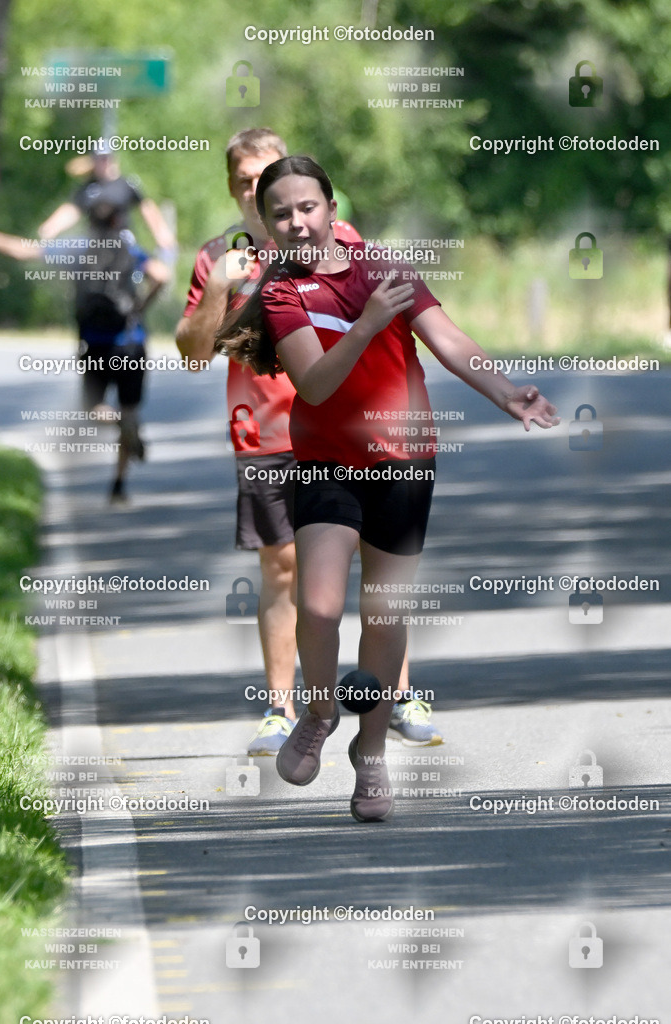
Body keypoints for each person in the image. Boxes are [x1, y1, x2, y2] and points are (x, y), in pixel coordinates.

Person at [214, 155, 559, 822]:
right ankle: (318, 711)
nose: (296, 221)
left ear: (331, 210)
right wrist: (368, 323)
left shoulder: (386, 270)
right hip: (325, 463)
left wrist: (506, 392)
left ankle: (370, 757)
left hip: (404, 463)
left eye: (307, 207)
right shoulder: (283, 294)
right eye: (280, 212)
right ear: (268, 223)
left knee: (384, 617)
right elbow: (314, 384)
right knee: (317, 607)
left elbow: (448, 338)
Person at [176, 128, 442, 755]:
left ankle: (396, 692)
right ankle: (283, 708)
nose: (252, 188)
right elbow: (191, 355)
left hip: (352, 430)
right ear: (236, 191)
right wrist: (218, 289)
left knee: (377, 568)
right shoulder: (220, 256)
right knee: (284, 568)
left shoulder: (342, 243)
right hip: (266, 429)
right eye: (242, 180)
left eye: (262, 174)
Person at [0, 200, 169, 501]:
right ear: (119, 220)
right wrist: (141, 306)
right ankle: (119, 484)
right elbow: (161, 276)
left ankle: (120, 425)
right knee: (131, 410)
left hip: (94, 343)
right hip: (131, 341)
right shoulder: (130, 247)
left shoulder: (77, 247)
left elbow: (22, 250)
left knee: (93, 408)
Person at [38, 143, 176, 254]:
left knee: (158, 275)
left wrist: (161, 233)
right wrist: (51, 227)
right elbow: (71, 210)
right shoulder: (88, 188)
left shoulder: (126, 184)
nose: (104, 163)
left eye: (107, 158)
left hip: (123, 241)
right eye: (100, 159)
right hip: (94, 243)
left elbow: (147, 208)